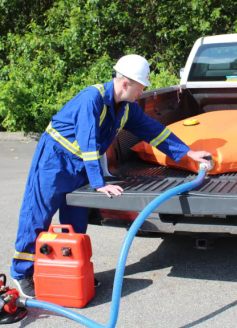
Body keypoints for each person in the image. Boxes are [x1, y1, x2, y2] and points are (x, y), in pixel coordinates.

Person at [11, 55, 211, 297]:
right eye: (140, 87)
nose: (142, 92)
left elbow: (154, 131)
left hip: (81, 165)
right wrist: (98, 183)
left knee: (75, 220)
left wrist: (188, 153)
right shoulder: (91, 98)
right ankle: (22, 272)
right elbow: (87, 141)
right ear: (126, 83)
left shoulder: (126, 108)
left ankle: (70, 270)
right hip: (54, 161)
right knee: (37, 215)